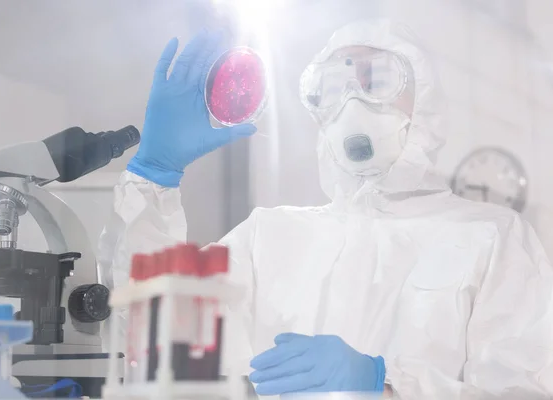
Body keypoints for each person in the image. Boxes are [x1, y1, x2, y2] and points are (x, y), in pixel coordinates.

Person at [98, 19, 553, 398]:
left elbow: (524, 389)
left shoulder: (492, 236)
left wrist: (387, 385)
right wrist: (153, 179)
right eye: (333, 86)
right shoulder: (268, 236)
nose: (352, 101)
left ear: (425, 97)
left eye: (377, 80)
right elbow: (157, 330)